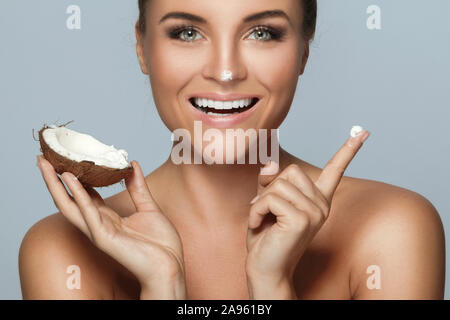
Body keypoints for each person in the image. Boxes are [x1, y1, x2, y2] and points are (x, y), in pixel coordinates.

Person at [19, 0, 445, 299]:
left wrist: (272, 287)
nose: (225, 72)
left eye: (263, 32)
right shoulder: (63, 249)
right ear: (142, 47)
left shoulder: (390, 229)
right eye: (187, 32)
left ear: (303, 50)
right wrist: (163, 285)